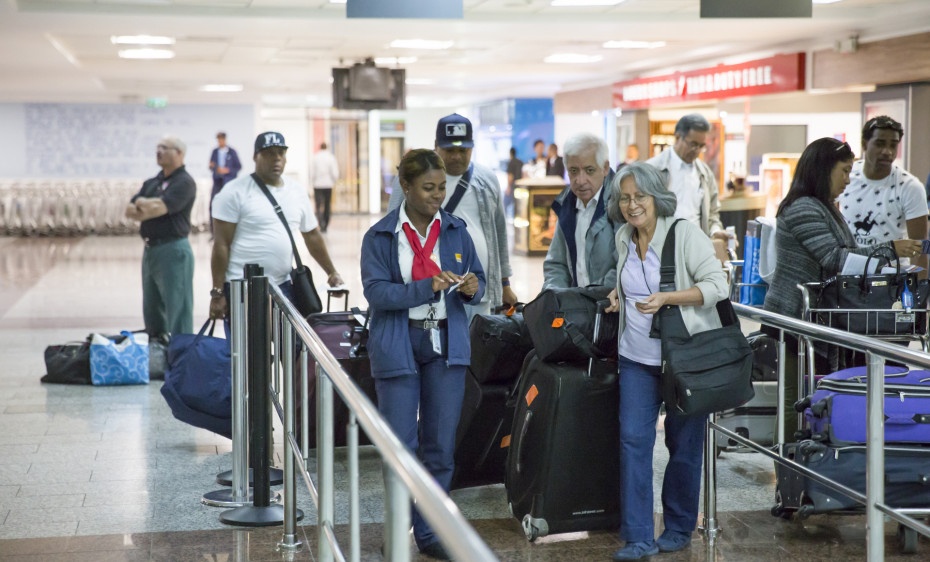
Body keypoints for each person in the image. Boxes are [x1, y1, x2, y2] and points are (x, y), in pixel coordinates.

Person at [361, 149, 485, 561]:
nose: (437, 195)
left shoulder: (455, 231)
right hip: (399, 343)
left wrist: (473, 288)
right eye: (428, 188)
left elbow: (479, 279)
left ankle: (431, 533)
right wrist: (426, 287)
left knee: (440, 446)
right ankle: (398, 529)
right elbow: (377, 293)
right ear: (406, 187)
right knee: (400, 446)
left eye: (442, 188)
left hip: (445, 344)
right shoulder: (380, 236)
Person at [603, 162, 729, 560]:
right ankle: (638, 536)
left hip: (683, 361)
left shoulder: (684, 234)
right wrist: (618, 294)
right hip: (636, 358)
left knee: (684, 444)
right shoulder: (624, 237)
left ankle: (678, 527)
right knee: (633, 441)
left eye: (640, 196)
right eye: (625, 198)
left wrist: (667, 298)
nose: (632, 205)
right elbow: (632, 280)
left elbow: (718, 285)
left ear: (656, 197)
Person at [763, 137, 921, 433]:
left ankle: (808, 455)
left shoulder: (825, 207)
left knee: (812, 397)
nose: (848, 180)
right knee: (794, 399)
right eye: (844, 171)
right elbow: (834, 258)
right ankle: (789, 460)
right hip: (794, 317)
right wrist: (890, 249)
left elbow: (843, 255)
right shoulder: (802, 208)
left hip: (815, 318)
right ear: (823, 169)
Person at [388, 113, 517, 316]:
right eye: (450, 150)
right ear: (436, 147)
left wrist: (505, 283)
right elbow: (392, 229)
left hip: (477, 292)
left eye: (463, 150)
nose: (456, 156)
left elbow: (499, 232)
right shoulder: (411, 179)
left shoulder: (487, 179)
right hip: (429, 293)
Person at [209, 132, 344, 320]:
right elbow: (221, 245)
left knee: (290, 338)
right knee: (245, 339)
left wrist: (332, 272)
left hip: (283, 286)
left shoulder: (297, 191)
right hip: (241, 287)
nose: (277, 158)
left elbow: (312, 235)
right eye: (269, 153)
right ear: (256, 157)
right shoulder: (234, 192)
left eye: (281, 153)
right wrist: (217, 292)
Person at [125, 136, 196, 338]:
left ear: (179, 153)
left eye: (165, 148)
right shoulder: (152, 182)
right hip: (150, 250)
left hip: (173, 249)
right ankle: (158, 349)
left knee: (178, 309)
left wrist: (144, 205)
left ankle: (181, 353)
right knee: (152, 309)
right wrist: (147, 205)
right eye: (158, 147)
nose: (159, 151)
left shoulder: (184, 182)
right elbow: (129, 210)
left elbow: (160, 208)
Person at [838, 116, 927, 270]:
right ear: (864, 144)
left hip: (893, 275)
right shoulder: (846, 176)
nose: (887, 151)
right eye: (880, 144)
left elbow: (920, 248)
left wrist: (920, 284)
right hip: (850, 272)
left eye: (893, 145)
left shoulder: (910, 187)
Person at [542, 132, 618, 289]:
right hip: (577, 302)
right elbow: (556, 264)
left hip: (611, 302)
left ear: (605, 168)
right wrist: (556, 295)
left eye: (589, 170)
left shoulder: (621, 203)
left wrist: (591, 296)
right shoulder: (566, 205)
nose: (580, 180)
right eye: (573, 171)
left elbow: (627, 265)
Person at [646, 114, 732, 247]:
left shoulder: (705, 174)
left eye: (701, 146)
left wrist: (715, 231)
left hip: (697, 247)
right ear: (677, 137)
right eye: (693, 144)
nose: (697, 150)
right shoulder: (653, 169)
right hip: (662, 248)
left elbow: (712, 213)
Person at [208, 132, 241, 234]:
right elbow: (211, 166)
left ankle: (231, 231)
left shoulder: (232, 152)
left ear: (225, 139)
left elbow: (238, 166)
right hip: (217, 182)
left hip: (228, 183)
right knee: (213, 205)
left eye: (221, 139)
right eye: (218, 140)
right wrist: (214, 167)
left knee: (229, 205)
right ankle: (213, 232)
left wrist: (228, 170)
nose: (220, 141)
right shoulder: (214, 152)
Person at [311, 141, 340, 232]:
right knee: (327, 205)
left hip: (317, 185)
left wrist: (312, 182)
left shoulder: (315, 157)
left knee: (318, 205)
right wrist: (334, 181)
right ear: (327, 147)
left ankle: (321, 223)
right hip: (328, 185)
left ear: (320, 147)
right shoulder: (331, 157)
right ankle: (326, 224)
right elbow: (334, 172)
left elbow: (312, 172)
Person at [505, 146, 523, 217]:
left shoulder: (511, 162)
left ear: (510, 153)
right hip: (520, 186)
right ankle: (517, 217)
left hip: (513, 186)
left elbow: (510, 176)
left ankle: (507, 218)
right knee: (517, 204)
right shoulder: (520, 162)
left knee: (506, 203)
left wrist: (508, 187)